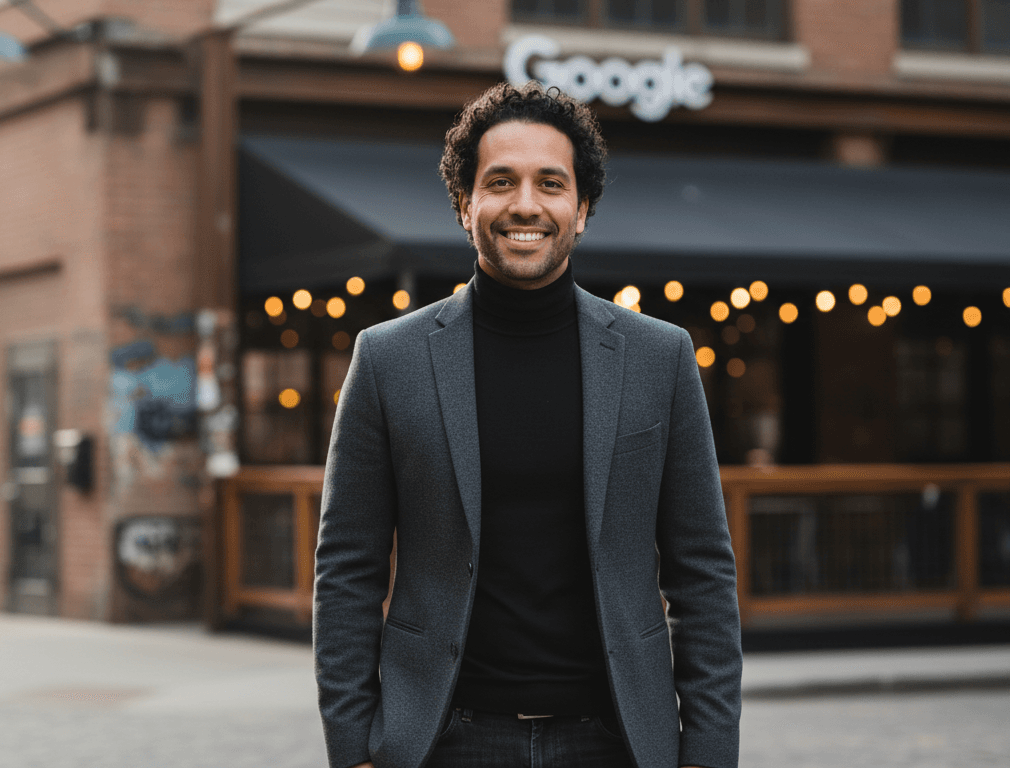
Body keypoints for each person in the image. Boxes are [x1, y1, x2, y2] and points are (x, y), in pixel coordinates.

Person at [312, 81, 741, 768]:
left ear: (582, 208)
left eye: (550, 183)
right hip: (444, 740)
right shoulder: (388, 359)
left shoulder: (660, 357)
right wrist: (353, 746)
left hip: (616, 741)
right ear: (465, 204)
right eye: (500, 181)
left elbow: (703, 575)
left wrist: (710, 753)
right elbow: (346, 570)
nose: (525, 205)